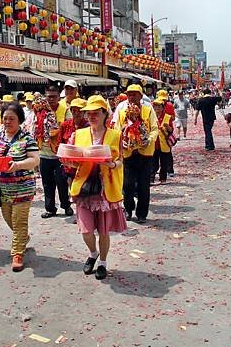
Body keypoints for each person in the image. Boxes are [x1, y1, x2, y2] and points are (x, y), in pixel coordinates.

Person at [68, 95, 127, 280]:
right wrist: (70, 161)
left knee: (103, 231)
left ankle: (103, 262)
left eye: (95, 113)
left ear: (105, 114)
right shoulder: (78, 135)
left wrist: (111, 165)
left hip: (104, 189)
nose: (91, 116)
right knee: (86, 230)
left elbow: (120, 161)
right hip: (84, 187)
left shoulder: (115, 135)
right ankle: (92, 253)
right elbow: (70, 157)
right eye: (89, 113)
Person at [0, 102, 40, 272]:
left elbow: (35, 159)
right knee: (8, 217)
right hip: (3, 188)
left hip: (23, 187)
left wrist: (18, 165)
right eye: (5, 118)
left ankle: (17, 253)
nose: (8, 122)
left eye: (12, 119)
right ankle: (23, 237)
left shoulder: (26, 138)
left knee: (19, 220)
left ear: (20, 120)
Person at [114, 84, 158, 223]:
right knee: (127, 184)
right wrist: (121, 142)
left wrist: (149, 139)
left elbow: (155, 129)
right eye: (129, 94)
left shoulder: (148, 109)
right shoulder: (121, 109)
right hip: (128, 153)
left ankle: (142, 213)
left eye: (134, 94)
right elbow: (116, 129)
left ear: (141, 95)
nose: (132, 97)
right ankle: (128, 208)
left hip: (145, 153)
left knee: (144, 185)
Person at [38, 86, 73, 219]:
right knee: (47, 183)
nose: (51, 99)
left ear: (59, 96)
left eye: (53, 96)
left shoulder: (65, 111)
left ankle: (66, 205)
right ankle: (50, 208)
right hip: (44, 153)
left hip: (60, 154)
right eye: (48, 96)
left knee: (62, 181)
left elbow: (69, 128)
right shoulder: (40, 110)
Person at [151, 99, 173, 184]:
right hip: (154, 143)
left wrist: (167, 127)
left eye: (159, 106)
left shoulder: (167, 117)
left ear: (163, 107)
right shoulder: (151, 117)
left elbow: (171, 130)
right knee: (153, 163)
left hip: (164, 143)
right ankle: (151, 178)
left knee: (164, 162)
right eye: (155, 106)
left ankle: (163, 178)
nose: (157, 108)